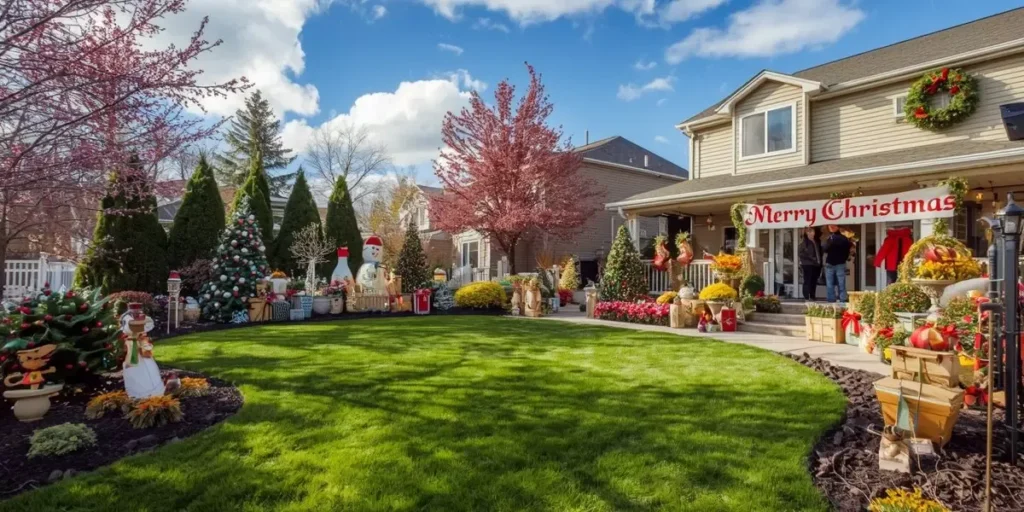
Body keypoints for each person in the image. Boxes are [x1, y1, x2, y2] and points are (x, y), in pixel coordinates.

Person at [822, 225, 852, 303]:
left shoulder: (831, 238)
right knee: (841, 283)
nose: (831, 227)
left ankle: (831, 299)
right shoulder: (844, 238)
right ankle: (842, 299)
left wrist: (830, 242)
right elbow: (847, 250)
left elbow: (825, 249)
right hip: (840, 263)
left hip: (831, 262)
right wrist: (844, 259)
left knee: (830, 283)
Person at [798, 227, 822, 301]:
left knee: (814, 280)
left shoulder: (816, 242)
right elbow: (800, 253)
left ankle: (812, 295)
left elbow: (819, 252)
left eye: (813, 231)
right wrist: (811, 258)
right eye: (810, 232)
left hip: (816, 264)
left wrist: (819, 262)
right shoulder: (804, 242)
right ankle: (806, 296)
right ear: (807, 233)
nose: (812, 233)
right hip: (807, 264)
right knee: (807, 280)